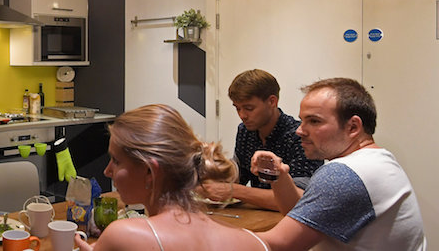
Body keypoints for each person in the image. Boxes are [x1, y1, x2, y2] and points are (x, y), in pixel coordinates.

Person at [258, 78, 426, 250]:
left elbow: (277, 245)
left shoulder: (342, 174)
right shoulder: (377, 161)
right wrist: (279, 177)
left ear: (353, 127)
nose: (299, 130)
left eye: (314, 121)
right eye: (302, 120)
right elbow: (304, 216)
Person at [75, 104, 271, 251]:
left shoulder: (123, 235)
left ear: (150, 172)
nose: (107, 171)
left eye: (116, 161)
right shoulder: (250, 241)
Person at [201, 69, 322, 211]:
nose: (242, 115)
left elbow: (298, 200)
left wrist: (232, 190)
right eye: (237, 108)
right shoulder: (245, 131)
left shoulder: (299, 136)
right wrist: (213, 169)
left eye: (249, 108)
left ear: (272, 101)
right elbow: (239, 176)